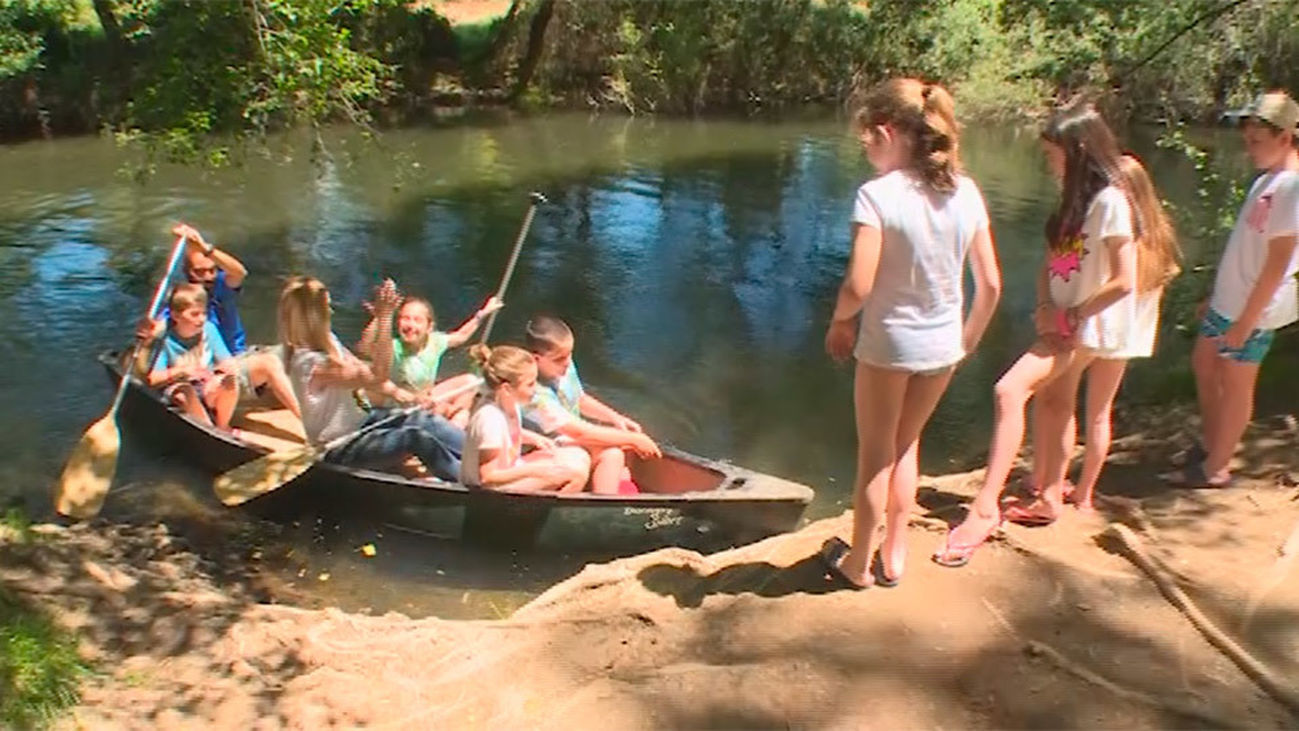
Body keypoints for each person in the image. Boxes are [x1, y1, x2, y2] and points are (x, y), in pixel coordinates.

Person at [935, 101, 1136, 567]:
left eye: (1054, 155)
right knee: (1054, 402)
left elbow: (1125, 278)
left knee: (1008, 391)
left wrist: (1073, 315)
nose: (1049, 164)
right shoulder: (1074, 198)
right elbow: (1051, 266)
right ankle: (1048, 496)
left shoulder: (1109, 201)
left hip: (1082, 329)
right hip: (1060, 321)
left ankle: (984, 508)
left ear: (1079, 150)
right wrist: (1047, 305)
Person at [819, 78, 1002, 588]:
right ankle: (894, 554)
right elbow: (990, 283)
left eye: (868, 142)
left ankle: (857, 562)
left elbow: (858, 284)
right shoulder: (965, 191)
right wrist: (967, 342)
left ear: (888, 131)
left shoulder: (877, 196)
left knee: (876, 455)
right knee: (907, 445)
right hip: (942, 345)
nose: (867, 153)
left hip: (889, 346)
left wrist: (839, 322)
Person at [1020, 153, 1182, 515]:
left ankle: (1042, 478)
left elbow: (1082, 274)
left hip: (1094, 328)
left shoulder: (1114, 234)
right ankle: (1085, 492)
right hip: (1124, 337)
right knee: (1098, 413)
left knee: (1056, 398)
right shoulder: (1156, 240)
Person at [1174, 90, 1299, 487]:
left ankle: (1217, 468)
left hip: (1254, 309)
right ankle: (1214, 444)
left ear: (1286, 137)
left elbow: (1279, 262)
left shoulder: (1292, 188)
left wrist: (1246, 320)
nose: (1249, 149)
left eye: (1257, 142)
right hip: (1228, 300)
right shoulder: (1267, 180)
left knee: (1236, 380)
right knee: (1204, 364)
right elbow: (1245, 247)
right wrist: (1215, 296)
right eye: (1247, 141)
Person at [277, 276, 465, 480]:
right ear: (312, 316)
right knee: (415, 438)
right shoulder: (311, 363)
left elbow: (363, 370)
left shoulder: (329, 340)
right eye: (326, 307)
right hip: (339, 447)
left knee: (420, 418)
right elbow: (377, 375)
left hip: (364, 421)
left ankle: (480, 456)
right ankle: (472, 481)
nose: (331, 312)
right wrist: (384, 318)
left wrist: (408, 397)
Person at [165, 223, 301, 419]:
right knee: (269, 364)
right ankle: (307, 424)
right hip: (218, 370)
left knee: (301, 350)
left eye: (212, 270)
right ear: (188, 272)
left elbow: (239, 272)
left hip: (243, 354)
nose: (208, 277)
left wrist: (204, 248)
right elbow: (161, 329)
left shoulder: (221, 285)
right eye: (200, 272)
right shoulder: (181, 302)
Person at [521, 315, 661, 495]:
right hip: (544, 449)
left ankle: (610, 499)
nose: (566, 363)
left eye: (569, 355)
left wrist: (615, 418)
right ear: (536, 359)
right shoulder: (531, 392)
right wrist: (634, 440)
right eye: (559, 359)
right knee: (614, 451)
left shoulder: (564, 365)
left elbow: (579, 399)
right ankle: (603, 508)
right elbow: (580, 432)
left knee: (616, 450)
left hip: (569, 442)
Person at [356, 278, 502, 424]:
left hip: (425, 400)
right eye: (405, 318)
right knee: (454, 412)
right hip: (399, 407)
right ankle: (449, 422)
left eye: (417, 320)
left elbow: (461, 336)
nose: (410, 325)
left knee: (470, 382)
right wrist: (380, 316)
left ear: (429, 327)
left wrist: (483, 313)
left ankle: (452, 423)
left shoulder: (435, 342)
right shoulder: (391, 347)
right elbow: (365, 348)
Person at [461, 344, 591, 492]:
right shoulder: (490, 419)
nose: (535, 389)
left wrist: (533, 438)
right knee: (575, 475)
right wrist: (534, 470)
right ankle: (552, 513)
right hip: (488, 491)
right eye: (530, 384)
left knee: (576, 454)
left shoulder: (510, 403)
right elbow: (487, 477)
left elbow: (507, 434)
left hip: (511, 469)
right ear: (507, 389)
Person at [136, 283, 240, 432]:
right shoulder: (164, 338)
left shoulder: (209, 329)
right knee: (184, 392)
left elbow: (226, 361)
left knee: (229, 381)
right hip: (179, 387)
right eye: (194, 314)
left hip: (205, 386)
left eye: (204, 313)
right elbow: (153, 379)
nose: (201, 319)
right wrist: (182, 371)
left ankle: (223, 426)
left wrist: (226, 370)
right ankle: (208, 428)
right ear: (176, 316)